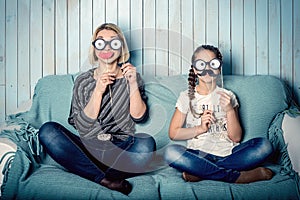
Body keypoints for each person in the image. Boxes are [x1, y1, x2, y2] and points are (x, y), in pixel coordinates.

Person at [38, 23, 156, 195]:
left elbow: (139, 117)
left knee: (147, 144)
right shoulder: (83, 80)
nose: (107, 48)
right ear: (94, 48)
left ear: (121, 46)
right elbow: (82, 124)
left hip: (120, 148)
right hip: (88, 146)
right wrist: (98, 91)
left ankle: (91, 174)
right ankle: (104, 180)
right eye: (101, 43)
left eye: (113, 42)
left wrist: (132, 84)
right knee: (48, 131)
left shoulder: (132, 77)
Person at [164, 45, 274, 183]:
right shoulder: (186, 97)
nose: (207, 69)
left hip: (230, 154)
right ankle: (237, 177)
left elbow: (236, 137)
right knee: (171, 153)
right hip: (199, 155)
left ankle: (201, 173)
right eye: (202, 64)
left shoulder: (228, 96)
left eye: (213, 64)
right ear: (195, 69)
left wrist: (229, 110)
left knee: (265, 145)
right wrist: (200, 129)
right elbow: (173, 133)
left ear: (219, 68)